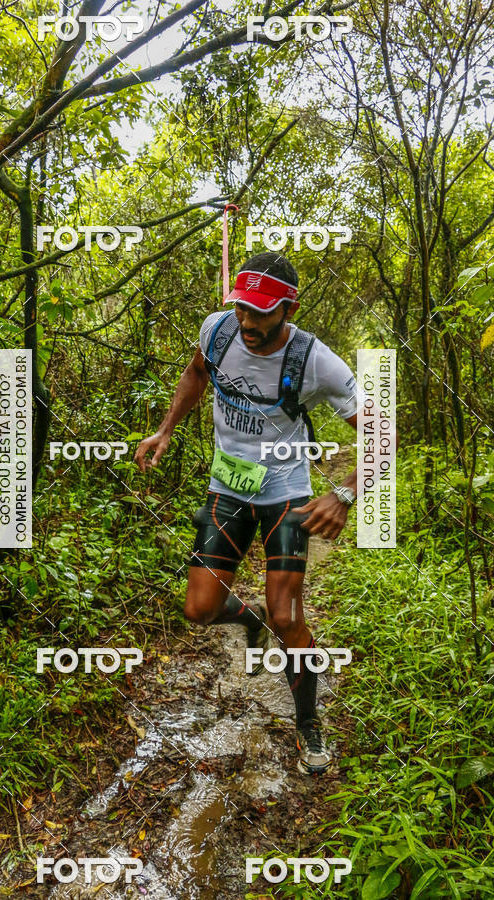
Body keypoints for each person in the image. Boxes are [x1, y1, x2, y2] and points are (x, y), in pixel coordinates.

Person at [134, 251, 361, 775]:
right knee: (199, 609)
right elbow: (196, 373)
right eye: (241, 308)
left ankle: (308, 723)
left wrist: (345, 493)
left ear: (289, 309)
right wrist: (165, 430)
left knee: (289, 616)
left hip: (286, 491)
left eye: (260, 313)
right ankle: (248, 616)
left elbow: (382, 432)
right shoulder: (217, 331)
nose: (247, 323)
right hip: (229, 487)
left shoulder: (317, 361)